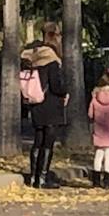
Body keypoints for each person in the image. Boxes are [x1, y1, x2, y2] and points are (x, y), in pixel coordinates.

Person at [26, 23, 68, 188]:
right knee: (48, 142)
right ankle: (42, 178)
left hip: (36, 102)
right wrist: (65, 91)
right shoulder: (52, 59)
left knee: (38, 140)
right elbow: (56, 85)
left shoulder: (32, 56)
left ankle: (33, 176)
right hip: (51, 104)